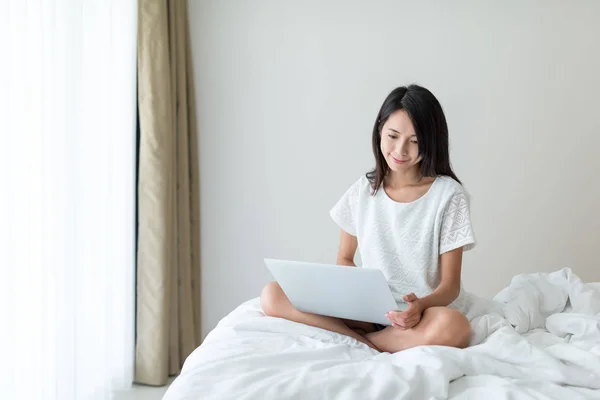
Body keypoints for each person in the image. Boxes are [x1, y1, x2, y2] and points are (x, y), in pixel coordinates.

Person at [260, 84, 476, 353]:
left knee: (455, 326)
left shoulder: (449, 196)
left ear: (431, 142)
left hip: (421, 314)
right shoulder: (363, 189)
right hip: (369, 311)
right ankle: (370, 341)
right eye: (393, 136)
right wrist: (355, 297)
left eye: (415, 141)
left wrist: (419, 306)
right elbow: (345, 258)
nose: (401, 150)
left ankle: (361, 342)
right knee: (272, 294)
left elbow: (450, 286)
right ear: (379, 132)